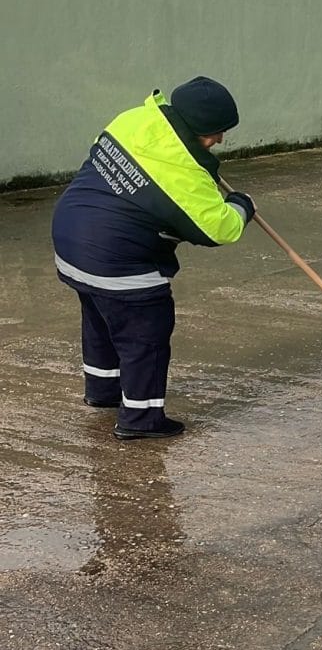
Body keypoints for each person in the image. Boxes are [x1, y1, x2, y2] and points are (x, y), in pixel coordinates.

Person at [51, 77, 256, 440]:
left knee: (101, 316)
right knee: (145, 334)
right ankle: (141, 419)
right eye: (215, 133)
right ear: (194, 128)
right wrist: (242, 204)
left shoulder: (133, 120)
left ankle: (103, 391)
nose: (221, 140)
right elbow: (217, 229)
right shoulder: (183, 173)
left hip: (71, 239)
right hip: (117, 263)